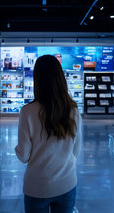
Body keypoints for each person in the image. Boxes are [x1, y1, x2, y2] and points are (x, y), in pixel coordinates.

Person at [15, 55, 82, 213]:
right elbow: (76, 151)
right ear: (60, 78)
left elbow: (23, 156)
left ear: (37, 79)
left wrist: (17, 149)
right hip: (67, 183)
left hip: (37, 187)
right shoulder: (73, 109)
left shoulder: (28, 111)